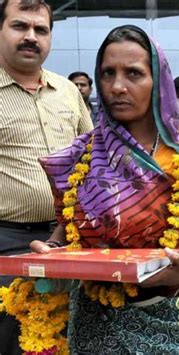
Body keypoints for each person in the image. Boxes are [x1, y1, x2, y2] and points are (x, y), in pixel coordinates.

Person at [30, 25, 179, 354]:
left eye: (133, 73)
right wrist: (50, 248)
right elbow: (69, 227)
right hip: (94, 324)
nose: (117, 86)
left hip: (174, 319)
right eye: (108, 73)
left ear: (158, 82)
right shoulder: (82, 156)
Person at [0, 0, 93, 353]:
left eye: (41, 30)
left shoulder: (68, 92)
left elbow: (93, 157)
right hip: (7, 244)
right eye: (19, 26)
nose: (31, 37)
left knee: (75, 335)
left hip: (69, 240)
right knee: (13, 341)